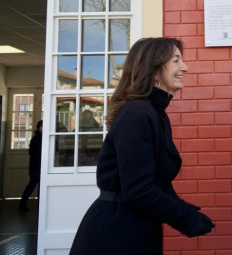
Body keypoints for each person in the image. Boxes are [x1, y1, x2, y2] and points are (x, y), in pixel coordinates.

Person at [70, 37, 215, 255]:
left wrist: (184, 209)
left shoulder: (154, 113)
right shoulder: (138, 115)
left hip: (135, 228)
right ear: (154, 70)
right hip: (115, 235)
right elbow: (138, 190)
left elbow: (158, 181)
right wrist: (185, 218)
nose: (185, 67)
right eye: (176, 60)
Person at [19, 120, 43, 212]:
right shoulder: (36, 138)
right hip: (35, 166)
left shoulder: (39, 137)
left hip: (38, 165)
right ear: (38, 127)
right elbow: (32, 152)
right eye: (42, 126)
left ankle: (38, 205)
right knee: (32, 185)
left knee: (37, 186)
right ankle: (22, 204)